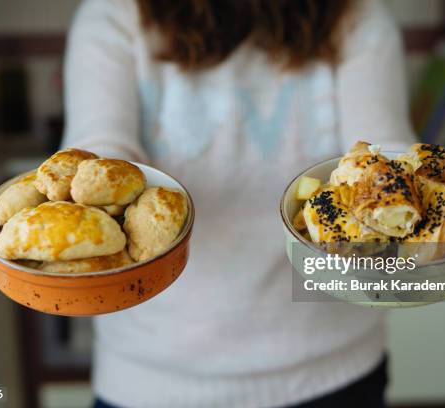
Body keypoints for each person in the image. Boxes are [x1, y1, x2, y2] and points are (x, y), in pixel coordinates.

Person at [62, 0, 415, 406]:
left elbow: (381, 157)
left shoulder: (356, 14)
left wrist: (425, 214)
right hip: (151, 380)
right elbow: (97, 158)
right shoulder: (113, 13)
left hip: (332, 367)